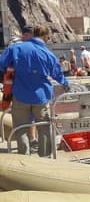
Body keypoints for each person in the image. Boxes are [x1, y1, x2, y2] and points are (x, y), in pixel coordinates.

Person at [0, 25, 69, 157]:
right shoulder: (48, 54)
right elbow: (58, 75)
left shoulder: (15, 48)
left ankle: (25, 158)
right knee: (44, 128)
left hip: (20, 96)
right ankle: (44, 158)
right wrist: (66, 84)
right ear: (45, 37)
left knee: (21, 128)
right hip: (41, 97)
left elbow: (2, 64)